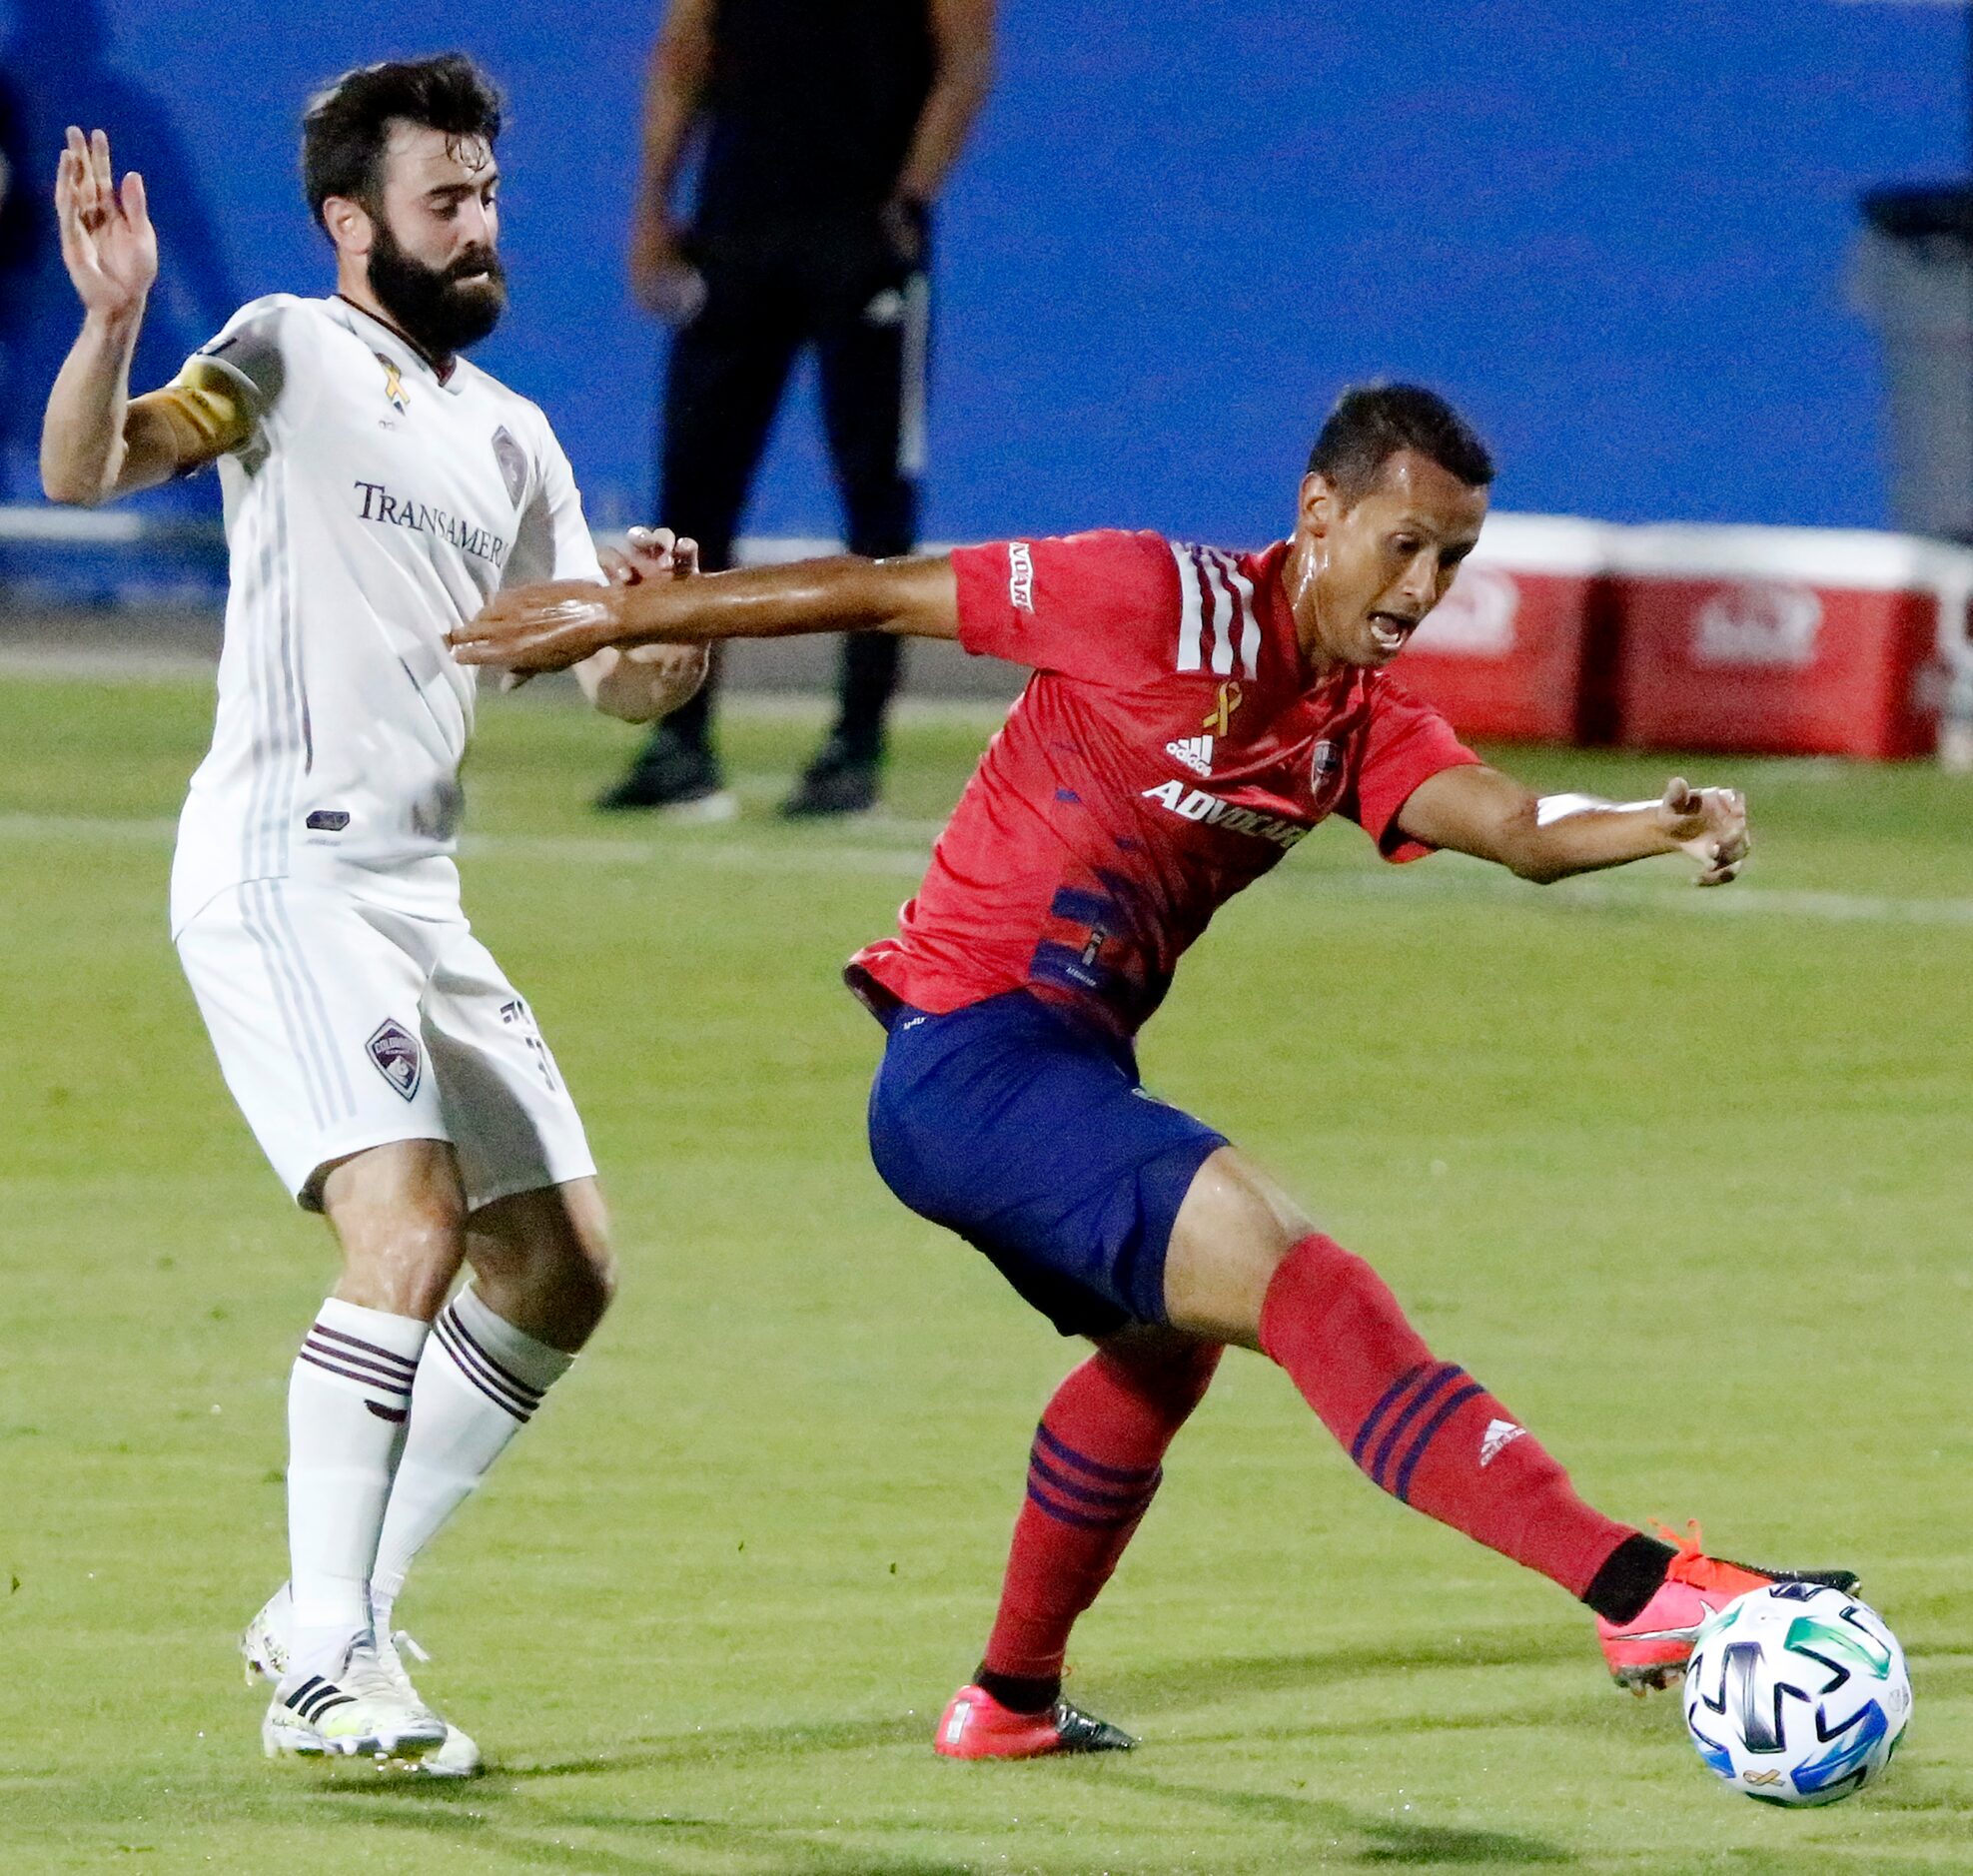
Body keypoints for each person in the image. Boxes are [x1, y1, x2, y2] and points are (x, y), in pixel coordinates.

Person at [451, 384, 1857, 1757]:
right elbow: (878, 590)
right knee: (1300, 1272)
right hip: (970, 1053)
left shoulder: (1352, 720)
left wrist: (1653, 823)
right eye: (1404, 542)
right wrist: (627, 612)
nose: (1424, 585)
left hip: (1042, 1070)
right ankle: (1631, 1590)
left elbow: (1516, 824)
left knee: (1162, 1345)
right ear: (1318, 511)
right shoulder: (1146, 597)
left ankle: (1007, 1697)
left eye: (1454, 558)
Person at [40, 58, 704, 1773]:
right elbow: (86, 468)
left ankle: (327, 1606)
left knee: (561, 1265)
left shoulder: (514, 435)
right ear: (354, 222)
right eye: (445, 200)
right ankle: (333, 1664)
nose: (480, 228)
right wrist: (113, 319)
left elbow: (612, 678)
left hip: (417, 890)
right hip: (282, 866)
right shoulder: (280, 347)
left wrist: (663, 631)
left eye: (487, 196)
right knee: (404, 1225)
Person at [598, 0, 995, 820]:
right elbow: (684, 53)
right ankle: (680, 742)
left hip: (861, 234)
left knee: (876, 504)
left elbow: (964, 61)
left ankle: (854, 747)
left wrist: (910, 199)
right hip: (735, 228)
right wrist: (654, 205)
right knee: (693, 495)